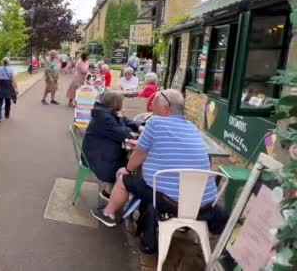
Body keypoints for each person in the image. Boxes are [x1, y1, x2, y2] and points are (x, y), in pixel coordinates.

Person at [91, 90, 227, 233]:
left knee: (123, 178)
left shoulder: (156, 122)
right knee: (158, 182)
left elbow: (138, 154)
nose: (151, 110)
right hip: (204, 204)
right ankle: (177, 223)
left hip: (172, 202)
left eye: (153, 106)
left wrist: (128, 170)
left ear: (165, 109)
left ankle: (108, 214)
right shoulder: (192, 127)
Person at [82, 91, 143, 200]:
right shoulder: (105, 117)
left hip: (98, 151)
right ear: (116, 104)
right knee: (129, 170)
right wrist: (129, 128)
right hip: (98, 157)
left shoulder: (104, 113)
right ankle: (114, 195)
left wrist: (138, 126)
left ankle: (111, 192)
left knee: (131, 163)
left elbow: (124, 121)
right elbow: (122, 133)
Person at [0, 57, 18, 122]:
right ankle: (7, 114)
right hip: (8, 86)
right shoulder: (11, 70)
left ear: (2, 62)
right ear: (8, 62)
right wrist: (16, 88)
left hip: (0, 85)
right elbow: (13, 80)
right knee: (8, 101)